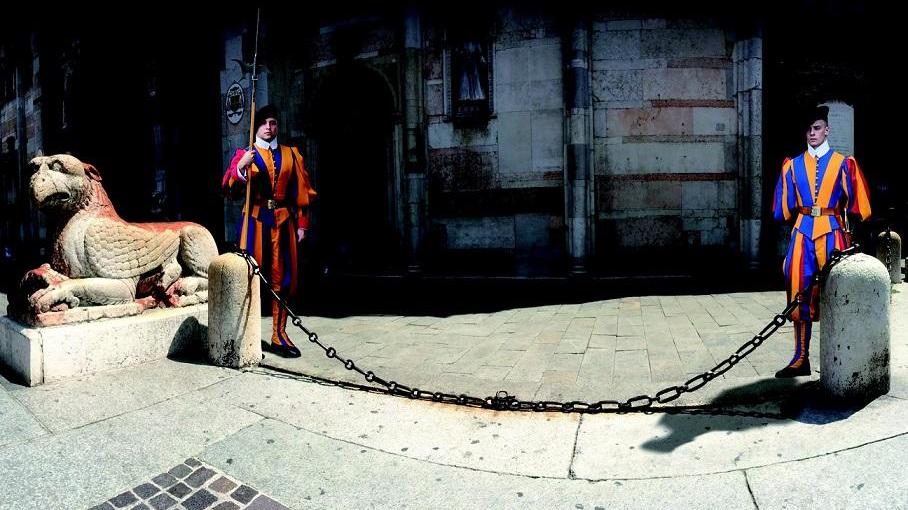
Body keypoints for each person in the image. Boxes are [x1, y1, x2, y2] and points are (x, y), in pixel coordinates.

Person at [772, 105, 872, 377]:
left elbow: (859, 208)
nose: (812, 133)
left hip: (833, 232)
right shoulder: (791, 166)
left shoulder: (843, 163)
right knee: (797, 292)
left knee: (838, 291)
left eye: (817, 128)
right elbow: (782, 210)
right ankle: (800, 358)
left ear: (827, 130)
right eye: (808, 129)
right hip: (802, 232)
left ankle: (842, 356)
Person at [222, 104, 317, 358]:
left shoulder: (291, 154)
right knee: (249, 278)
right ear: (257, 127)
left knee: (282, 279)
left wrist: (303, 224)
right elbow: (230, 190)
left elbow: (302, 190)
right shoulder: (246, 154)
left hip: (283, 223)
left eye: (273, 123)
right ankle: (246, 338)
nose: (269, 127)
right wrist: (241, 168)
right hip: (254, 221)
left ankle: (279, 334)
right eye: (264, 123)